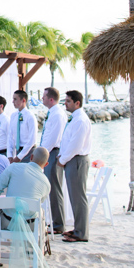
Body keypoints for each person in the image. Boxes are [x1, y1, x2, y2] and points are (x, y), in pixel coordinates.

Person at [58, 89, 92, 243]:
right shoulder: (74, 118)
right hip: (72, 159)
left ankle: (81, 232)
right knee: (74, 196)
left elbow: (76, 145)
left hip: (77, 160)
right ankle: (78, 228)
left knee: (79, 197)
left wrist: (62, 160)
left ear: (77, 103)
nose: (65, 103)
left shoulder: (80, 120)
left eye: (68, 101)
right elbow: (68, 141)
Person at [40, 87, 68, 234]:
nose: (42, 99)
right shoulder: (52, 113)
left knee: (54, 189)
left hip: (52, 152)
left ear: (51, 99)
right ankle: (55, 222)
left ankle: (59, 224)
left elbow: (53, 137)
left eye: (44, 97)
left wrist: (42, 153)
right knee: (50, 188)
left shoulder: (57, 114)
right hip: (48, 152)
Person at [7, 89, 37, 163]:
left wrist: (20, 156)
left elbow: (32, 139)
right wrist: (10, 155)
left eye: (15, 99)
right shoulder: (13, 116)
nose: (13, 101)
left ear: (23, 100)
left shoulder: (30, 116)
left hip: (28, 151)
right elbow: (10, 136)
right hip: (17, 150)